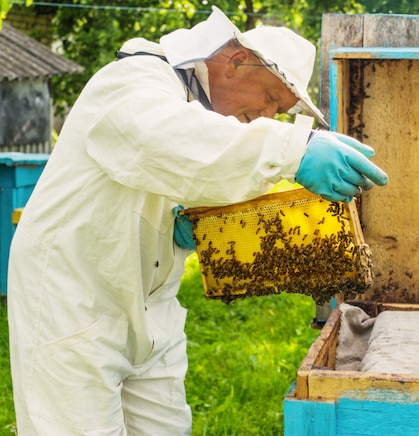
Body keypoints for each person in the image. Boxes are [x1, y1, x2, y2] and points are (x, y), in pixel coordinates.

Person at [7, 6, 387, 435]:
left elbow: (185, 171)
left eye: (279, 113)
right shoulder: (134, 80)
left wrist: (178, 232)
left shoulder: (200, 113)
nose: (267, 118)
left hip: (151, 306)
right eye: (269, 99)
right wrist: (293, 148)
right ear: (236, 61)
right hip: (72, 298)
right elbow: (160, 140)